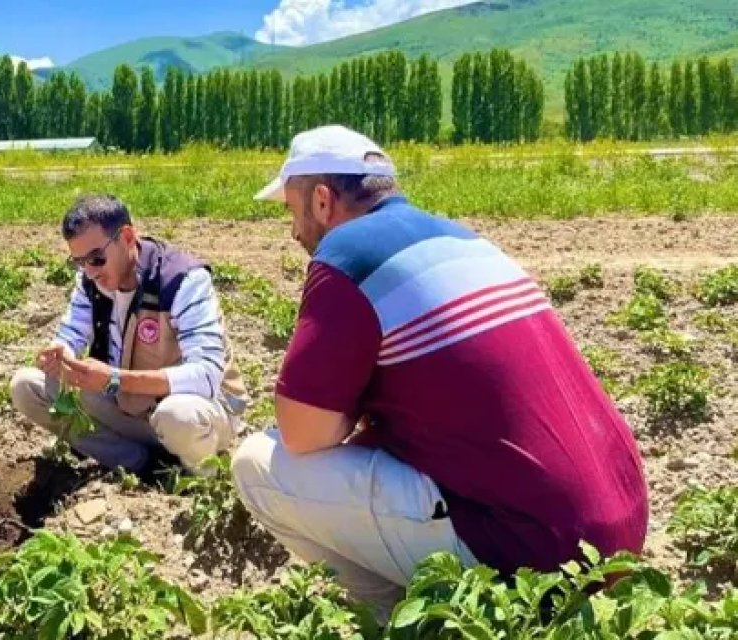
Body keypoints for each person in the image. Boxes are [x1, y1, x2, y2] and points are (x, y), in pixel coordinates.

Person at [230, 125, 649, 619]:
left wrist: (352, 414)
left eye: (291, 210)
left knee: (256, 465)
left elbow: (303, 433)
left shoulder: (347, 254)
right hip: (619, 534)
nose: (294, 232)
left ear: (322, 201)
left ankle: (397, 619)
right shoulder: (464, 238)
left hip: (540, 554)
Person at [9, 194, 251, 477]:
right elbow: (71, 333)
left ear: (126, 237)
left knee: (177, 416)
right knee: (28, 387)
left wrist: (114, 379)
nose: (90, 271)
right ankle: (141, 465)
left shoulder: (182, 280)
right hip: (131, 408)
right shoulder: (90, 281)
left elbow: (206, 376)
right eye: (79, 262)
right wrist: (61, 354)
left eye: (96, 259)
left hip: (198, 413)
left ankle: (198, 475)